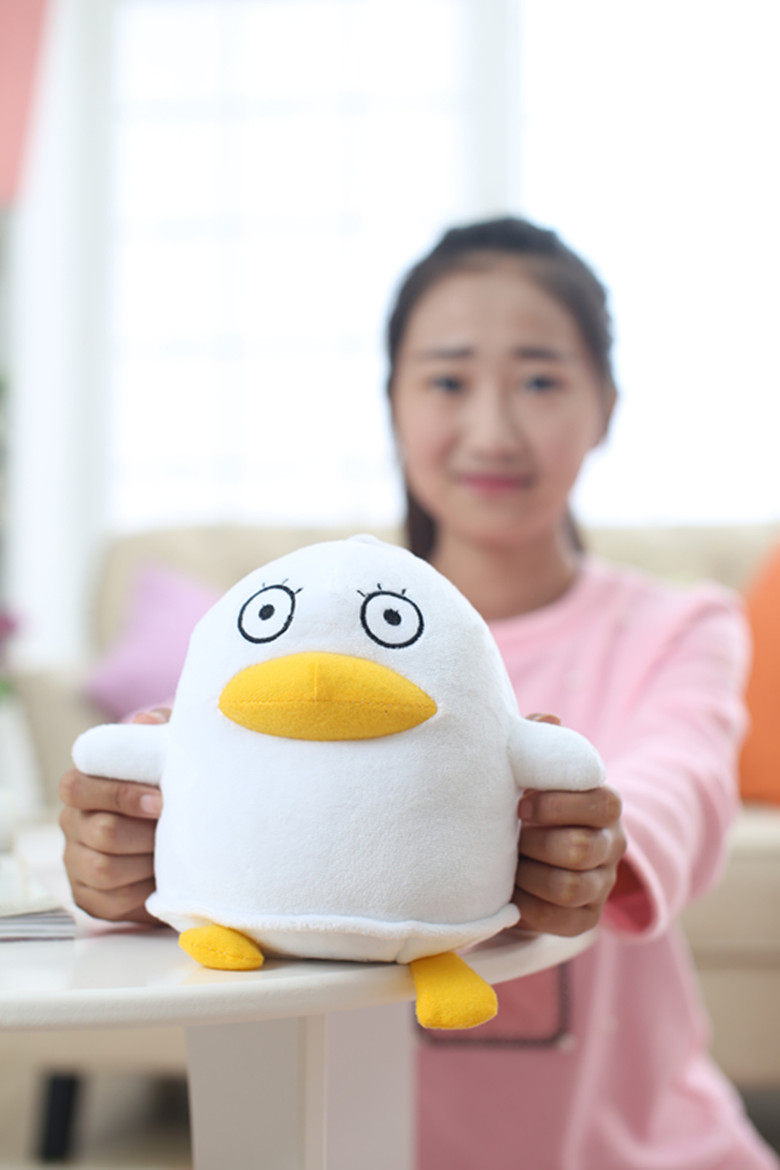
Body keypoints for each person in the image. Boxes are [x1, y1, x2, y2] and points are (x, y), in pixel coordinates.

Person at [58, 217, 778, 1169]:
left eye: (540, 381)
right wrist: (131, 850)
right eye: (447, 380)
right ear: (393, 403)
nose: (493, 430)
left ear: (605, 406)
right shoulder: (310, 627)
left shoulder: (677, 626)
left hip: (634, 1147)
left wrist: (597, 842)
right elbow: (199, 792)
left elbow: (682, 783)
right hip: (356, 1146)